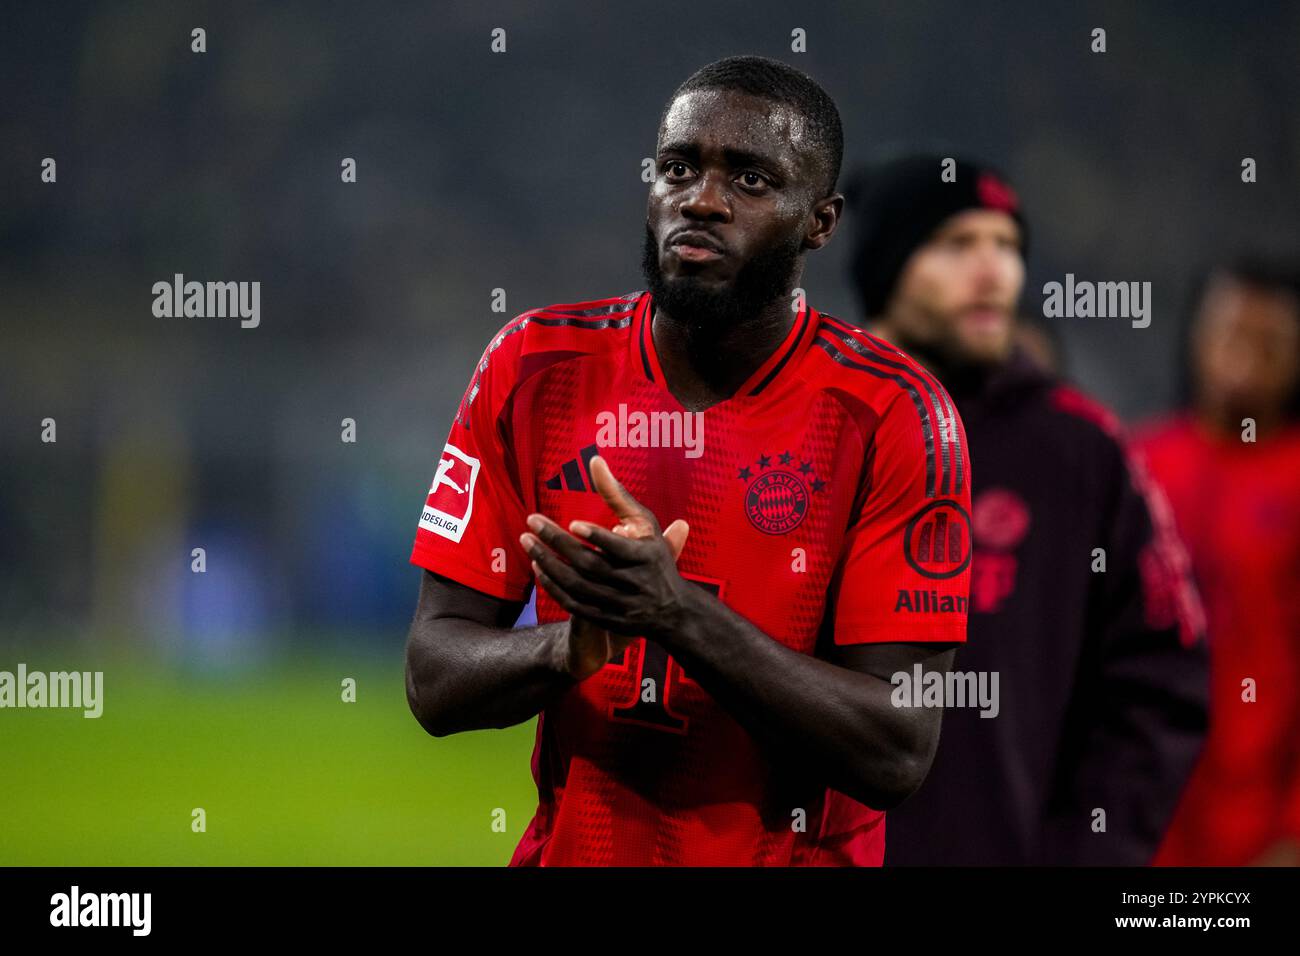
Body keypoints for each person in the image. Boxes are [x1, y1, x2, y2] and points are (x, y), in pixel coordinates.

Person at [403, 56, 974, 866]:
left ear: (820, 221)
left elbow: (898, 748)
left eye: (749, 179)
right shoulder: (531, 367)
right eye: (679, 168)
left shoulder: (895, 414)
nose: (701, 200)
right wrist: (568, 646)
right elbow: (433, 675)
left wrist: (678, 615)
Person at [845, 153, 1209, 865]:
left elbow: (1162, 682)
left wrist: (1088, 853)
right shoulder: (809, 424)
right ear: (886, 271)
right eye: (957, 245)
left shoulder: (1080, 449)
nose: (994, 272)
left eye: (1007, 246)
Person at [1134, 256, 1300, 866]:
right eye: (1229, 330)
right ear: (1196, 335)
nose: (1244, 353)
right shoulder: (1138, 462)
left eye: (1271, 340)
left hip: (1263, 826)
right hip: (1150, 817)